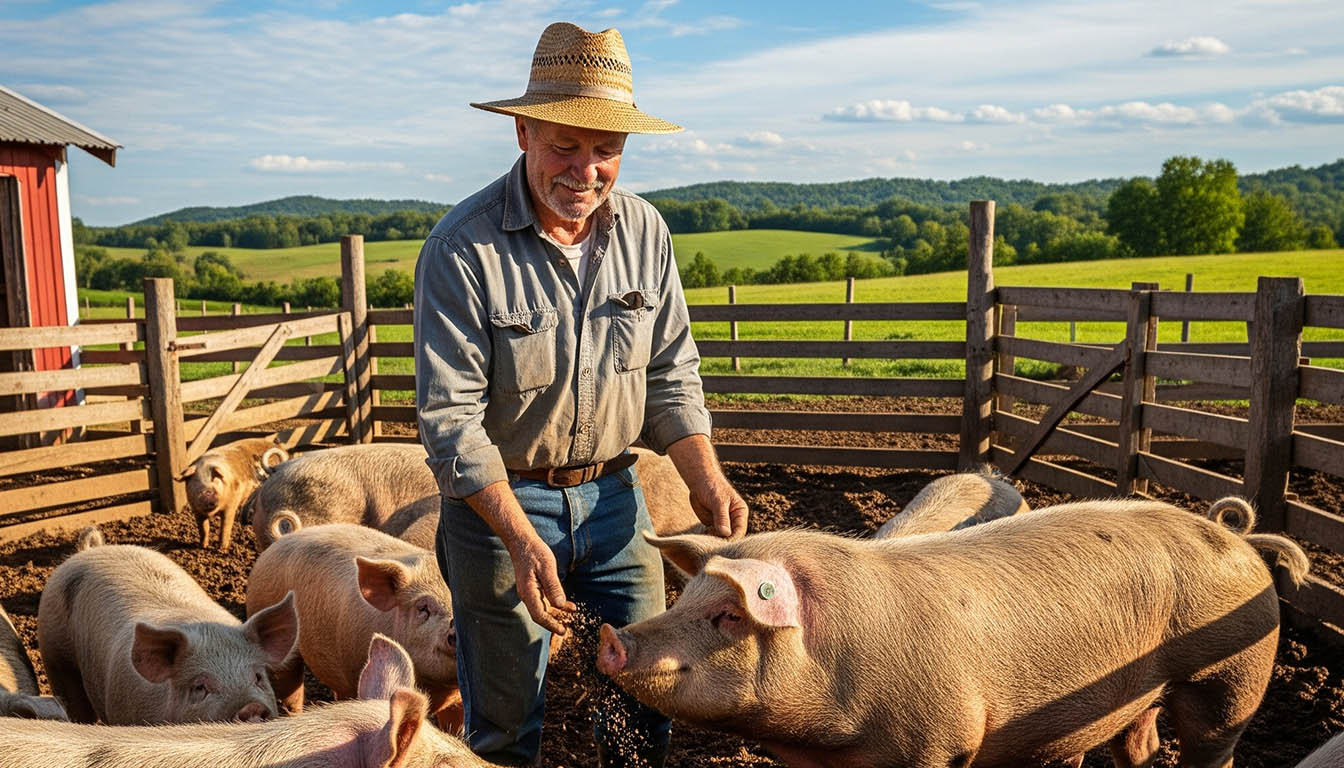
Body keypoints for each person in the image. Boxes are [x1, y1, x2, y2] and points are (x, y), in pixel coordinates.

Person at [412, 21, 749, 768]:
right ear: (524, 132)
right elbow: (452, 419)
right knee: (505, 721)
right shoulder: (464, 248)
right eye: (566, 144)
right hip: (500, 508)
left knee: (645, 693)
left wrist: (704, 477)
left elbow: (669, 370)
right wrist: (520, 538)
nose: (586, 170)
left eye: (606, 150)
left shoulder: (645, 233)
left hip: (613, 502)